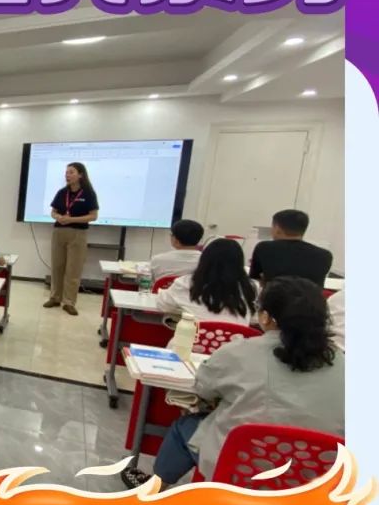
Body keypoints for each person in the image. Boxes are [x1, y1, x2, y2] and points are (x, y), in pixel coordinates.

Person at [122, 277, 345, 489]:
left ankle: (155, 487)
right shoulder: (343, 362)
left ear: (265, 317)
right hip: (315, 474)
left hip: (244, 467)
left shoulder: (240, 351)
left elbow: (203, 388)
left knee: (186, 427)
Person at [155, 238, 258, 327]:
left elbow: (163, 305)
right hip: (237, 342)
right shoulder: (251, 287)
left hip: (195, 341)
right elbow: (255, 317)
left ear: (204, 259)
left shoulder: (186, 283)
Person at [44, 162, 99, 315]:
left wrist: (71, 219)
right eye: (66, 172)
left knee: (73, 269)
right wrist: (58, 217)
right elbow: (53, 212)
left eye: (71, 172)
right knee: (57, 266)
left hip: (78, 233)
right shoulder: (62, 192)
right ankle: (55, 297)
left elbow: (93, 216)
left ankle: (69, 302)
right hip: (59, 232)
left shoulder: (88, 193)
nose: (67, 175)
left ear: (80, 175)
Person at [249, 209, 333, 287]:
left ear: (277, 228)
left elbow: (255, 278)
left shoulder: (264, 248)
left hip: (273, 297)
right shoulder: (325, 255)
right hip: (310, 298)